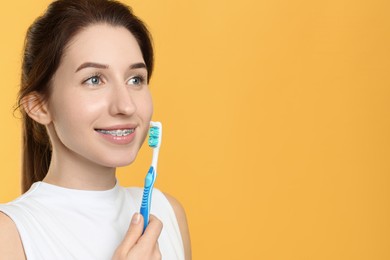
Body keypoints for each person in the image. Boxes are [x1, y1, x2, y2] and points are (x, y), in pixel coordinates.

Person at [0, 0, 191, 259]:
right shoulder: (9, 235)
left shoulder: (167, 212)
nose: (125, 105)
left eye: (135, 79)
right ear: (39, 106)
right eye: (94, 80)